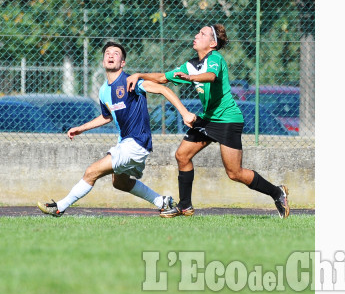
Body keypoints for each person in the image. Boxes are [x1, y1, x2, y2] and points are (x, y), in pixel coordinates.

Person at [127, 24, 290, 219]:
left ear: (212, 43)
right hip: (208, 119)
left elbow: (211, 77)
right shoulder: (191, 65)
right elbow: (163, 78)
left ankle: (277, 192)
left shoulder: (215, 59)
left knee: (234, 173)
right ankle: (185, 206)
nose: (196, 35)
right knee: (182, 155)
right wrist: (139, 75)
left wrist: (190, 77)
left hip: (228, 120)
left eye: (202, 34)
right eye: (197, 32)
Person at [37, 41, 197, 217]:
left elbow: (163, 90)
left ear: (123, 63)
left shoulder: (131, 81)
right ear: (103, 61)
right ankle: (162, 202)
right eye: (107, 53)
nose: (110, 55)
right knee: (120, 183)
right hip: (126, 143)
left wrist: (184, 112)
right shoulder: (103, 90)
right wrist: (81, 128)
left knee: (92, 171)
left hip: (136, 143)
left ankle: (59, 207)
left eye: (116, 53)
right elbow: (107, 116)